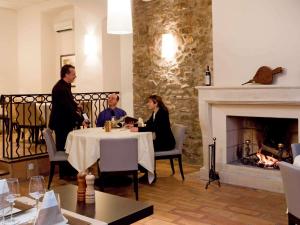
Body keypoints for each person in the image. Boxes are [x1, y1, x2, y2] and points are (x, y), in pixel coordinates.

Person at [49, 64, 87, 178]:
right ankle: (65, 174)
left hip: (64, 122)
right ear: (66, 74)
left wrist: (77, 106)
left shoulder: (65, 86)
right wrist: (81, 120)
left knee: (68, 146)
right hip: (61, 123)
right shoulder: (60, 88)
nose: (75, 76)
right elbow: (67, 108)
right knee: (64, 147)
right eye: (73, 74)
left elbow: (69, 103)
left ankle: (69, 172)